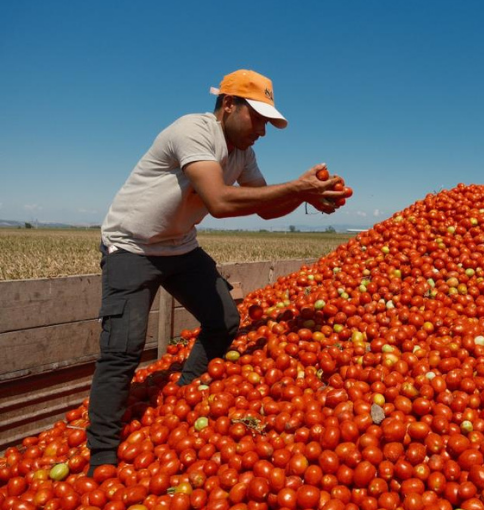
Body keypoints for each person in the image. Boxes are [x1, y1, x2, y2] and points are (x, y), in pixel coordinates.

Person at [86, 69, 347, 476]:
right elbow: (221, 201)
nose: (261, 130)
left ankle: (188, 390)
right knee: (123, 348)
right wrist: (297, 188)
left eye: (267, 122)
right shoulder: (193, 130)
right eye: (256, 118)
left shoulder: (243, 153)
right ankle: (101, 455)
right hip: (132, 247)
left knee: (224, 321)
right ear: (229, 105)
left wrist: (310, 197)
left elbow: (264, 207)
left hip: (179, 245)